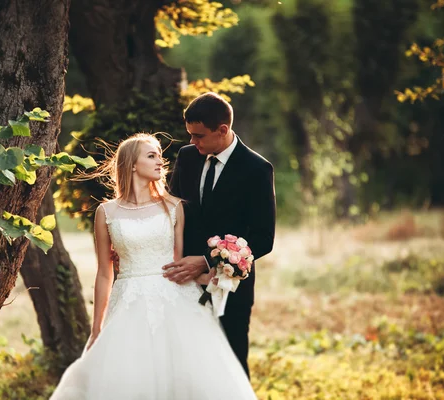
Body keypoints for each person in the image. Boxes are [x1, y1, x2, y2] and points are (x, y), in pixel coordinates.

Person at [50, 133, 257, 399]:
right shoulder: (106, 213)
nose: (161, 161)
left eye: (160, 155)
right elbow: (104, 273)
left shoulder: (173, 207)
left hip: (175, 300)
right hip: (128, 302)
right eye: (152, 156)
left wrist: (213, 275)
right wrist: (96, 329)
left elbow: (178, 263)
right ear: (132, 164)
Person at [163, 92, 276, 377]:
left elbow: (263, 238)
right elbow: (172, 211)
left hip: (231, 288)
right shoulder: (187, 157)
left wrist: (205, 260)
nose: (192, 142)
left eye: (199, 136)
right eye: (189, 134)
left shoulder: (257, 169)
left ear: (222, 130)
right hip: (182, 284)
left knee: (232, 364)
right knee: (187, 364)